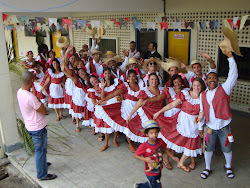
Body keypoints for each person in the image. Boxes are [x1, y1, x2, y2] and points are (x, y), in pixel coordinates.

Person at [198, 50, 238, 179]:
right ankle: (207, 168)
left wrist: (230, 58)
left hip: (224, 126)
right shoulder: (203, 94)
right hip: (209, 127)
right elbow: (201, 111)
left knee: (226, 148)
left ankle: (228, 166)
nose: (211, 80)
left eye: (214, 78)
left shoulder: (224, 89)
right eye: (209, 78)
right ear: (206, 81)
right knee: (208, 148)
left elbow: (233, 75)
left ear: (217, 80)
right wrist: (200, 128)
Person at [153, 78, 206, 172]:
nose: (196, 87)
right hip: (182, 122)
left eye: (198, 85)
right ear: (192, 86)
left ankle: (181, 162)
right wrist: (160, 111)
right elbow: (172, 104)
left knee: (191, 144)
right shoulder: (186, 94)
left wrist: (201, 126)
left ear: (202, 86)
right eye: (194, 85)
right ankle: (171, 159)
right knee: (173, 138)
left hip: (194, 125)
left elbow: (204, 112)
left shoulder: (204, 97)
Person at [17, 71, 57, 181]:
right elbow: (44, 110)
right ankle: (42, 175)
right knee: (40, 150)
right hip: (37, 127)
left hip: (31, 125)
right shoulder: (30, 97)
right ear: (31, 81)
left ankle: (42, 164)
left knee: (41, 150)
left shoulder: (20, 92)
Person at [96, 69, 144, 152]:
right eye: (130, 76)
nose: (132, 78)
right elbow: (115, 94)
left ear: (136, 77)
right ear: (127, 78)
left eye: (133, 76)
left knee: (135, 125)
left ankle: (132, 142)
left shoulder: (140, 85)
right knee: (127, 126)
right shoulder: (125, 86)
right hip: (127, 108)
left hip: (137, 108)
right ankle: (129, 144)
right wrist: (103, 100)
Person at [134, 120, 171, 188]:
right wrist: (145, 159)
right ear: (147, 134)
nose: (154, 135)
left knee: (154, 182)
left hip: (159, 168)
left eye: (156, 132)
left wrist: (173, 157)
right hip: (150, 171)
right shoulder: (144, 146)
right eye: (151, 133)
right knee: (156, 184)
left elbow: (164, 149)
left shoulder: (160, 141)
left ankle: (139, 186)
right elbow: (136, 155)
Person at [94, 67, 122, 151]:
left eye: (109, 73)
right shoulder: (101, 84)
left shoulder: (116, 82)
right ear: (103, 74)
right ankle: (106, 143)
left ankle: (114, 140)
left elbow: (119, 94)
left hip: (116, 105)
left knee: (115, 123)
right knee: (107, 124)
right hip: (107, 106)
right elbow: (103, 97)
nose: (107, 75)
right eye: (105, 73)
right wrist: (103, 87)